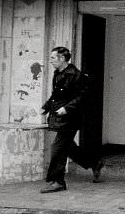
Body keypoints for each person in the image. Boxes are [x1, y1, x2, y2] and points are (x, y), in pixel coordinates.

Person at [40, 46, 103, 193]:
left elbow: (82, 97)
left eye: (53, 58)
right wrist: (46, 107)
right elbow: (56, 94)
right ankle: (94, 163)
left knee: (57, 148)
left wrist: (67, 108)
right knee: (68, 148)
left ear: (62, 59)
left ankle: (58, 181)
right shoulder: (58, 73)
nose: (50, 61)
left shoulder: (75, 75)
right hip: (60, 116)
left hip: (71, 118)